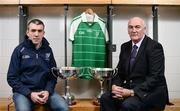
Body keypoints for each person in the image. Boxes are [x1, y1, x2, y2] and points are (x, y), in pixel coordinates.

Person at [100, 17, 169, 111]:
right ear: (128, 30)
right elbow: (119, 73)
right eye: (130, 27)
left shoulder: (154, 47)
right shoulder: (125, 47)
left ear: (144, 29)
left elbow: (155, 77)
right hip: (130, 89)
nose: (134, 30)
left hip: (150, 92)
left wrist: (131, 92)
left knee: (128, 105)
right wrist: (115, 86)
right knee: (105, 98)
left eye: (137, 27)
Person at [7, 19, 69, 111]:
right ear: (28, 32)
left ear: (43, 33)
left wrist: (48, 91)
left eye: (39, 31)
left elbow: (53, 75)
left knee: (63, 107)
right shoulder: (19, 50)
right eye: (33, 30)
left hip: (44, 92)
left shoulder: (48, 50)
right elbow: (11, 78)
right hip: (23, 93)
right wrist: (29, 93)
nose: (36, 34)